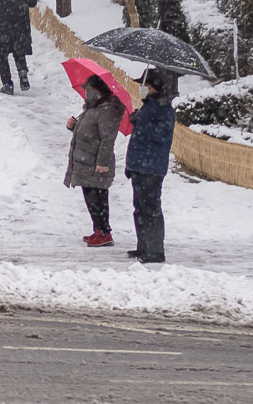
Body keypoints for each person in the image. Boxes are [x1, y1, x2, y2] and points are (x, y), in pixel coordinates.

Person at [126, 66, 179, 264]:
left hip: (152, 167)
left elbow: (161, 136)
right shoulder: (148, 106)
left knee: (151, 208)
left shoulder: (163, 108)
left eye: (144, 85)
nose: (142, 88)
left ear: (153, 87)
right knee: (140, 207)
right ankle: (143, 246)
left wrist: (141, 123)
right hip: (140, 165)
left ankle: (155, 250)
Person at [64, 70, 122, 247]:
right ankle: (99, 230)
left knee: (98, 198)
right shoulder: (92, 108)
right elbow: (89, 133)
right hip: (86, 162)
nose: (86, 92)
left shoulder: (107, 110)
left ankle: (104, 232)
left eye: (88, 89)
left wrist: (102, 163)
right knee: (91, 198)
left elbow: (107, 139)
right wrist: (73, 127)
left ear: (98, 90)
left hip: (95, 164)